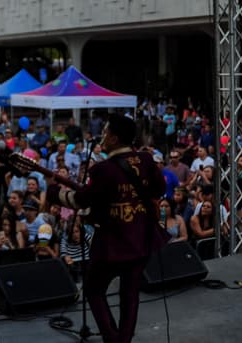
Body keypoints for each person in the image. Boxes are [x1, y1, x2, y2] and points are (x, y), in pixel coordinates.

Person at [45, 114, 166, 343]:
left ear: (114, 138)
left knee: (93, 290)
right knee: (130, 295)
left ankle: (112, 337)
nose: (103, 135)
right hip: (141, 237)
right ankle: (124, 339)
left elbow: (82, 200)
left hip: (113, 242)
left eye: (107, 131)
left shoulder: (103, 169)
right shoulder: (146, 160)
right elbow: (159, 188)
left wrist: (53, 192)